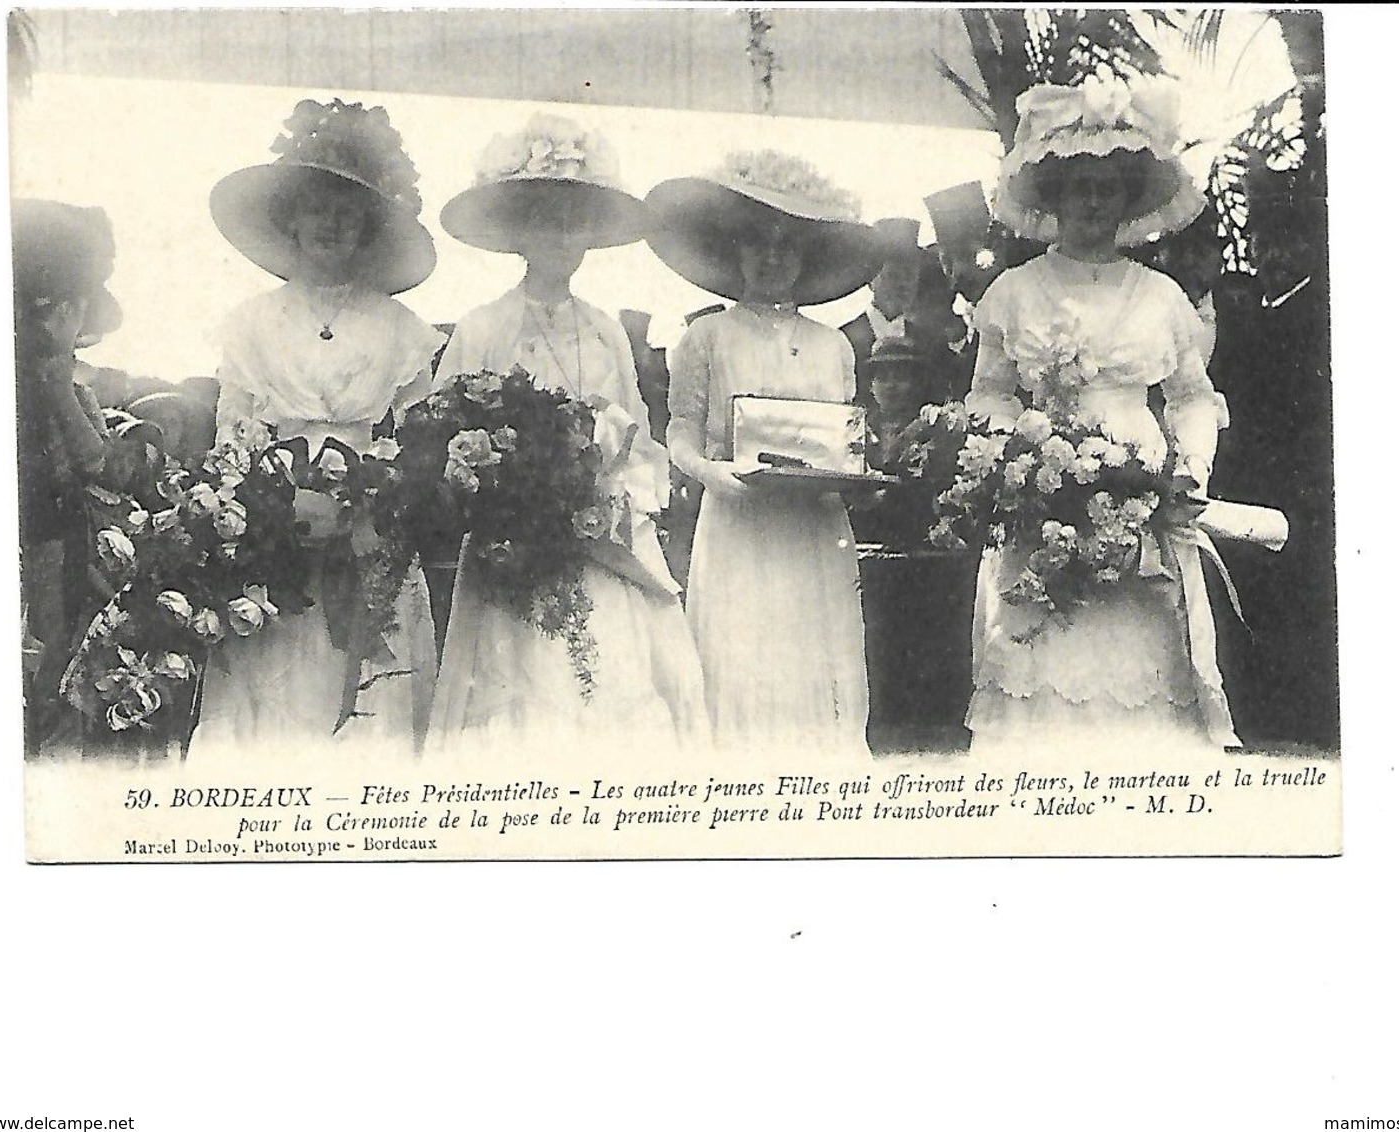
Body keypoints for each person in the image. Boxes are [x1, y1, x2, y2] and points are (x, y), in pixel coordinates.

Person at [964, 76, 1238, 754]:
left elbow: (1190, 396)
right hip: (1041, 496)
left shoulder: (1161, 296)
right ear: (1053, 194)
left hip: (1141, 497)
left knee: (1135, 654)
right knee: (1041, 643)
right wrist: (1015, 459)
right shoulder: (1012, 292)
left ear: (1128, 197)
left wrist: (1187, 470)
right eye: (1079, 185)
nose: (1093, 200)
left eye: (1108, 186)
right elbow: (989, 393)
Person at [427, 114, 707, 752]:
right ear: (519, 232)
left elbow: (641, 438)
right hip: (516, 546)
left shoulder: (606, 329)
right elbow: (443, 444)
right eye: (545, 220)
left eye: (575, 222)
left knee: (614, 677)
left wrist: (613, 490)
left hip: (604, 540)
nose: (561, 237)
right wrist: (505, 493)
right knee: (526, 689)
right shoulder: (482, 327)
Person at [192, 97, 444, 756]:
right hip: (273, 544)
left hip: (370, 542)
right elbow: (229, 443)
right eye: (315, 206)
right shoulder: (250, 323)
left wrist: (365, 510)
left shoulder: (399, 330)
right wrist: (275, 509)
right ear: (290, 218)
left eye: (347, 210)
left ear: (367, 225)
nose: (330, 223)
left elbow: (419, 450)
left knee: (368, 701)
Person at [647, 150, 884, 754]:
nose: (773, 257)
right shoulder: (706, 336)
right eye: (758, 241)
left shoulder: (834, 345)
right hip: (740, 525)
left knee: (812, 649)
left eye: (788, 244)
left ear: (807, 257)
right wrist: (711, 473)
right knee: (744, 654)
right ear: (736, 250)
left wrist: (857, 469)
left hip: (812, 528)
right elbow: (679, 432)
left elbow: (842, 438)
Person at [13, 199, 119, 752]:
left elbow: (95, 460)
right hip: (26, 529)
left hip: (52, 534)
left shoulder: (71, 387)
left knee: (53, 651)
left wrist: (56, 382)